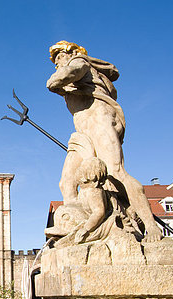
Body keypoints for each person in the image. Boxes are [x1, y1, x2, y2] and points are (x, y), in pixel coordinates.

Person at [46, 41, 162, 242]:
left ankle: (151, 226)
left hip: (99, 121)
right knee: (67, 182)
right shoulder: (75, 79)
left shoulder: (80, 62)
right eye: (55, 62)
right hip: (82, 132)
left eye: (59, 58)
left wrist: (57, 81)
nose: (57, 64)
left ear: (71, 53)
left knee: (115, 173)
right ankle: (79, 224)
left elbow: (63, 76)